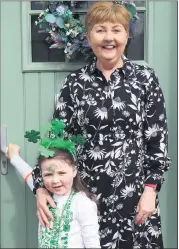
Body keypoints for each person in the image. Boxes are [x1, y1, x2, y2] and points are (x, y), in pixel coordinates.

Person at [32, 2, 171, 249]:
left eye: (116, 30)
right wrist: (41, 188)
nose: (109, 38)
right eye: (100, 30)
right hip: (87, 198)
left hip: (135, 196)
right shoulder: (74, 84)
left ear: (127, 35)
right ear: (88, 37)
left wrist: (151, 190)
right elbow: (56, 142)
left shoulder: (145, 79)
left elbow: (157, 140)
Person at [6, 140, 101, 248]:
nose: (55, 180)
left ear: (74, 171)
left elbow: (92, 242)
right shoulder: (44, 197)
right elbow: (28, 175)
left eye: (61, 173)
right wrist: (14, 157)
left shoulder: (82, 203)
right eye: (48, 174)